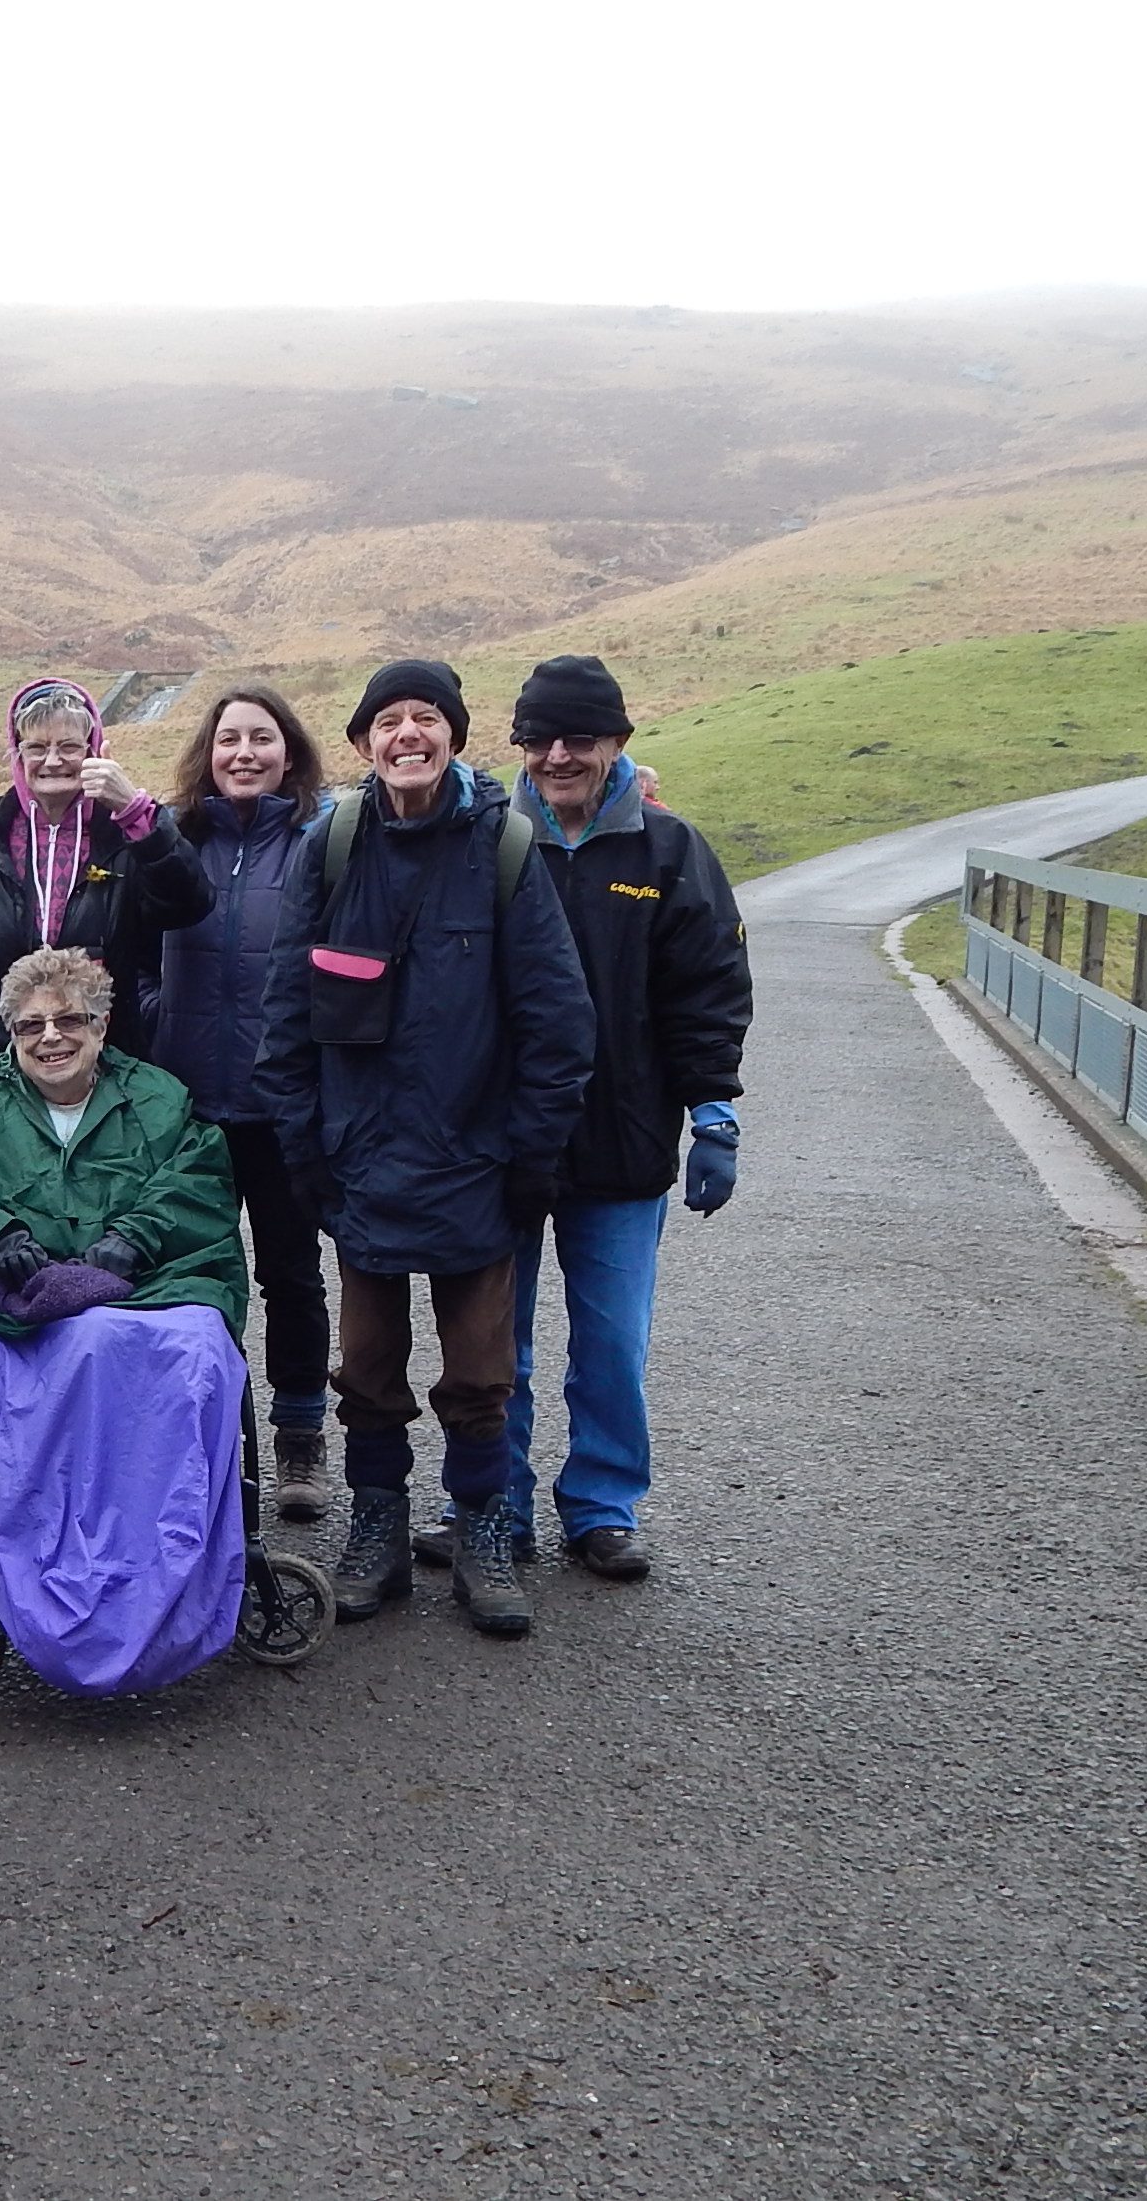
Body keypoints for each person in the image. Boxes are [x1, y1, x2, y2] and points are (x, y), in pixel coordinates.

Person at [252, 658, 596, 1641]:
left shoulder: (507, 852)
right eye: (389, 720)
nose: (408, 734)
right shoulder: (332, 850)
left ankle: (485, 1534)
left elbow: (557, 1023)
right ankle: (377, 1535)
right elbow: (287, 1019)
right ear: (364, 744)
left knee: (482, 1373)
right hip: (361, 1163)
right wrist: (307, 1150)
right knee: (367, 1369)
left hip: (477, 1163)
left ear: (454, 735)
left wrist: (529, 1154)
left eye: (426, 718)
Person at [408, 656, 752, 1582]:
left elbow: (707, 993)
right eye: (541, 739)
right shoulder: (475, 836)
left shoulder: (668, 852)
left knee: (609, 1344)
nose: (559, 756)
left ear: (618, 746)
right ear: (517, 744)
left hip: (622, 1139)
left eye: (582, 739)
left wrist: (713, 1110)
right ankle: (487, 1500)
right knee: (488, 1345)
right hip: (496, 1142)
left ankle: (602, 1506)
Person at [0, 949, 250, 1695]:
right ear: (9, 1035)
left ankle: (170, 1578)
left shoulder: (158, 1099)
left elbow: (200, 1179)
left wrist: (135, 1235)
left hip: (151, 1284)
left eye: (68, 1020)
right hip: (23, 1301)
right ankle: (72, 1582)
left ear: (101, 1026)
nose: (50, 1037)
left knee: (199, 1350)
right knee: (86, 1343)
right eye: (29, 1025)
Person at [144, 679, 335, 1520]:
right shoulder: (171, 841)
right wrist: (157, 1022)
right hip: (186, 1108)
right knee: (191, 1278)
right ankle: (202, 1438)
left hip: (282, 1103)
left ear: (287, 753)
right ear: (207, 755)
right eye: (229, 741)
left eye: (261, 739)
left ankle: (298, 1444)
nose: (244, 754)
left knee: (292, 1276)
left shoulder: (321, 844)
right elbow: (132, 952)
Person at [0, 678, 212, 1075]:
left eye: (68, 746)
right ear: (17, 754)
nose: (52, 761)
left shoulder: (125, 835)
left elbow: (189, 904)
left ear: (94, 751)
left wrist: (134, 813)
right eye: (36, 747)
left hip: (110, 1066)